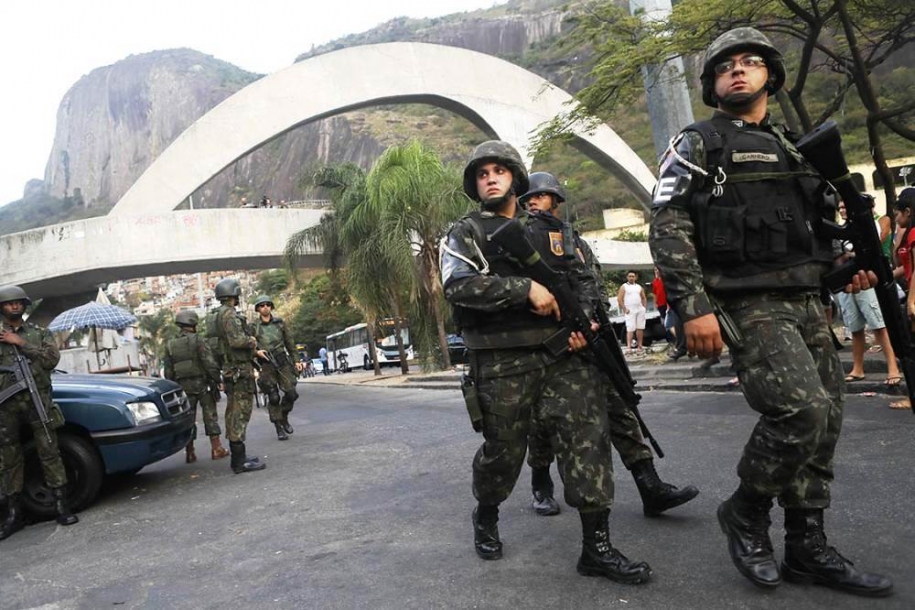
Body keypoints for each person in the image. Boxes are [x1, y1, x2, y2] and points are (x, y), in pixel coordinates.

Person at [649, 27, 892, 595]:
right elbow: (667, 224)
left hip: (809, 300)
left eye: (750, 62)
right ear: (711, 84)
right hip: (748, 301)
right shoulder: (698, 143)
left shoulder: (796, 148)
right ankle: (746, 511)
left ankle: (806, 545)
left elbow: (815, 231)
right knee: (801, 411)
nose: (738, 70)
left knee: (825, 424)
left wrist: (847, 267)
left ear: (771, 76)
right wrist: (692, 306)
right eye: (725, 65)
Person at [440, 141, 651, 584]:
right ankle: (486, 514)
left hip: (564, 355)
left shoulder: (552, 230)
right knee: (503, 453)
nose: (491, 179)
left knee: (587, 441)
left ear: (515, 178)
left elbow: (581, 280)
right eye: (482, 173)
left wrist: (585, 324)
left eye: (499, 171)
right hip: (502, 362)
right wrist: (524, 290)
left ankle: (596, 548)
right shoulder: (465, 233)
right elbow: (457, 286)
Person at [519, 171, 699, 519]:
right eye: (528, 199)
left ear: (555, 200)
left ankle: (650, 486)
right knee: (543, 420)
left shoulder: (574, 241)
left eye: (539, 196)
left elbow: (593, 285)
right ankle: (541, 483)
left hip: (591, 337)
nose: (532, 203)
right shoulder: (524, 239)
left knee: (620, 407)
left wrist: (590, 320)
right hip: (550, 344)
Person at [0, 285, 78, 540]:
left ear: (25, 305)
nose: (14, 306)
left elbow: (51, 360)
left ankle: (61, 506)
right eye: (9, 303)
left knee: (50, 453)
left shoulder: (39, 333)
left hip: (38, 401)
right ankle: (14, 514)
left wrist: (20, 343)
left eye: (18, 302)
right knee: (9, 458)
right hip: (6, 406)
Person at [834, 198, 901, 386]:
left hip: (866, 280)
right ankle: (858, 368)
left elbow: (871, 251)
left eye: (845, 207)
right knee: (854, 327)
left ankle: (893, 367)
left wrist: (849, 255)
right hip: (847, 282)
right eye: (840, 208)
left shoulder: (870, 225)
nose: (842, 211)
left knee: (878, 325)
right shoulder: (840, 230)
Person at [212, 278, 266, 474]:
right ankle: (239, 462)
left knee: (234, 413)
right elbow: (237, 341)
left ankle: (239, 457)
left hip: (231, 369)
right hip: (239, 371)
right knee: (240, 413)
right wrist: (252, 341)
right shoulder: (229, 315)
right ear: (233, 294)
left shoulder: (218, 315)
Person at [163, 310, 229, 462]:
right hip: (203, 384)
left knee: (188, 418)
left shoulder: (170, 344)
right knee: (210, 416)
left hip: (183, 387)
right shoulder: (199, 340)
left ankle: (190, 452)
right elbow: (209, 363)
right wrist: (217, 379)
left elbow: (168, 371)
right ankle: (216, 449)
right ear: (193, 323)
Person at [252, 295, 302, 441]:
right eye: (262, 305)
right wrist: (256, 353)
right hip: (266, 363)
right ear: (257, 309)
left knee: (292, 393)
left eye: (268, 305)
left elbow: (289, 342)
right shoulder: (253, 327)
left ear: (271, 307)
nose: (265, 307)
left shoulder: (280, 323)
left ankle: (284, 416)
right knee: (273, 397)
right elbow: (248, 345)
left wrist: (296, 360)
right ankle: (278, 427)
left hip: (282, 361)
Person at [617, 271, 647, 352]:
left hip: (639, 308)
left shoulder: (639, 287)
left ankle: (640, 346)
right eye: (629, 276)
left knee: (640, 327)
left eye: (633, 276)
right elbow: (619, 299)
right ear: (627, 277)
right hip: (630, 309)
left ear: (635, 277)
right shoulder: (624, 286)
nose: (631, 278)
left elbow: (643, 298)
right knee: (630, 328)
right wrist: (624, 308)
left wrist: (644, 308)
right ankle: (629, 347)